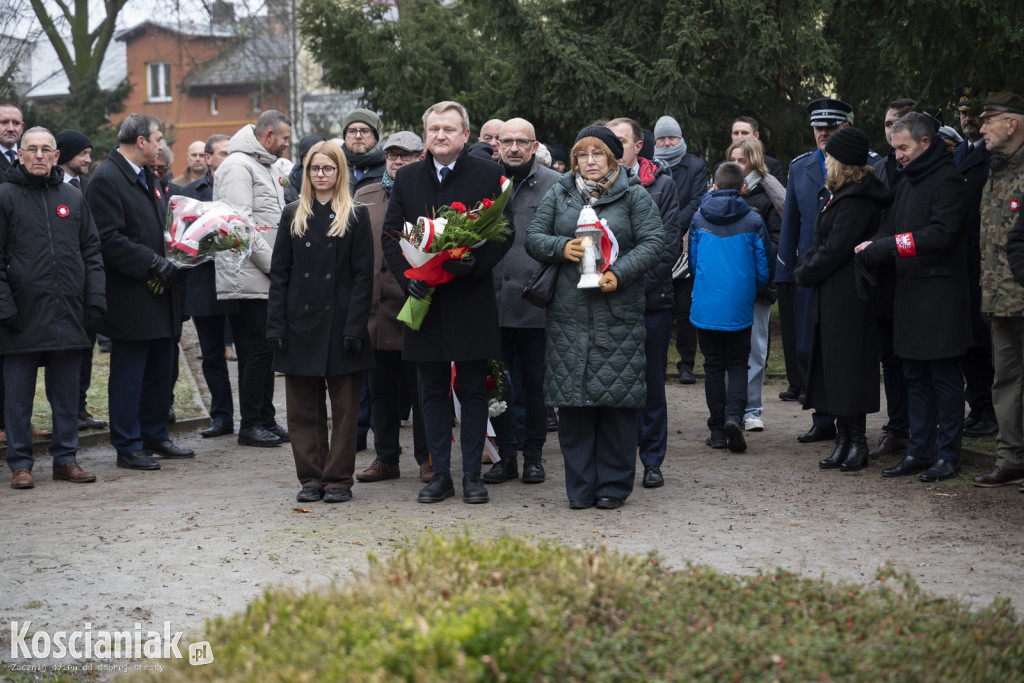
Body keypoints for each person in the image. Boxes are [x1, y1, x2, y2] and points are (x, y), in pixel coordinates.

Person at [380, 101, 512, 505]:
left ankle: (473, 474)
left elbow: (504, 233)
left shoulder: (489, 173)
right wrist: (409, 280)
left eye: (449, 129)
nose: (441, 135)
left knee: (473, 390)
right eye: (434, 128)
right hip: (426, 301)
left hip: (470, 298)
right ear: (425, 135)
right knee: (431, 391)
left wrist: (474, 264)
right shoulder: (408, 179)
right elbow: (391, 235)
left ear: (465, 135)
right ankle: (441, 474)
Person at [525, 125, 663, 509]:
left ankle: (613, 488)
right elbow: (533, 237)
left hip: (617, 313)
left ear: (613, 157)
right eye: (582, 155)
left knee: (617, 407)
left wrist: (619, 274)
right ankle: (580, 489)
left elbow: (655, 242)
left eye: (597, 154)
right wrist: (561, 246)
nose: (589, 162)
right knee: (574, 409)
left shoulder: (633, 196)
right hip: (568, 317)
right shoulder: (561, 193)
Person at [858, 111, 969, 482]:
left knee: (944, 377)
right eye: (894, 148)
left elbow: (941, 234)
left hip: (940, 295)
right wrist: (875, 244)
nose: (898, 155)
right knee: (915, 376)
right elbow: (893, 225)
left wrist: (890, 246)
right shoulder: (905, 181)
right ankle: (919, 451)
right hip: (908, 292)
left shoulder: (949, 180)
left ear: (925, 142)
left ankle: (948, 455)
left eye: (903, 147)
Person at [267, 141, 374, 503]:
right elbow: (279, 275)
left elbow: (363, 277)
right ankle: (311, 477)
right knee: (303, 408)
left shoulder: (355, 215)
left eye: (328, 169)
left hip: (342, 323)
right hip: (301, 323)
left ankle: (339, 478)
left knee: (345, 409)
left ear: (339, 171)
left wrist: (355, 326)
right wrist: (277, 325)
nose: (321, 175)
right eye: (315, 169)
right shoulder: (293, 214)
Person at [86, 113, 193, 470]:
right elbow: (108, 239)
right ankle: (128, 445)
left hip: (162, 294)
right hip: (132, 297)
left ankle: (155, 435)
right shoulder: (106, 178)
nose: (161, 145)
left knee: (161, 371)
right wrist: (151, 261)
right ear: (140, 141)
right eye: (158, 139)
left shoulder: (149, 176)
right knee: (130, 375)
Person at [1, 126, 106, 489]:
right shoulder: (4, 196)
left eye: (47, 149)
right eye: (32, 149)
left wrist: (94, 300)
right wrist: (4, 308)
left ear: (57, 156)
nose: (40, 155)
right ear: (21, 154)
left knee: (65, 394)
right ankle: (20, 463)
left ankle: (66, 459)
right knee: (17, 398)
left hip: (68, 315)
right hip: (20, 316)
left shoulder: (73, 197)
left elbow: (92, 252)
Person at [794, 127, 893, 472]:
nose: (826, 162)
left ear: (844, 162)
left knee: (850, 368)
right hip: (833, 294)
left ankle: (857, 443)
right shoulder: (840, 195)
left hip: (851, 295)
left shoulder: (858, 199)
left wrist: (804, 272)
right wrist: (805, 265)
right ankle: (842, 439)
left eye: (831, 157)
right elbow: (821, 242)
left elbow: (836, 248)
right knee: (834, 368)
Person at [482, 117, 560, 485]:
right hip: (491, 302)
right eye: (507, 141)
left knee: (535, 384)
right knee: (497, 384)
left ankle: (534, 457)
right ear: (496, 145)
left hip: (535, 303)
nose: (513, 148)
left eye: (521, 142)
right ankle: (507, 455)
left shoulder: (556, 186)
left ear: (534, 146)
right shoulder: (485, 181)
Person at [354, 131, 432, 485]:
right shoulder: (365, 194)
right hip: (376, 310)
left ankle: (428, 459)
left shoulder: (429, 191)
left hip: (415, 307)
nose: (398, 160)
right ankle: (386, 458)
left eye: (406, 154)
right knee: (380, 390)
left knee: (421, 391)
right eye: (392, 155)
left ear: (421, 156)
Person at [606, 117, 680, 489]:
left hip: (650, 300)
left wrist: (627, 284)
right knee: (616, 384)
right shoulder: (590, 187)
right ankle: (619, 460)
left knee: (651, 384)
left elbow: (667, 246)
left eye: (620, 141)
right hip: (605, 303)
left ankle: (652, 459)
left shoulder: (661, 185)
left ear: (638, 147)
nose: (613, 148)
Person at [213, 110, 292, 448]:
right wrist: (276, 266)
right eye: (285, 139)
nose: (287, 145)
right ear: (269, 136)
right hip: (250, 275)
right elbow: (239, 225)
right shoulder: (237, 167)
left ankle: (266, 418)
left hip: (263, 274)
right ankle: (251, 424)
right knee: (257, 351)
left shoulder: (265, 165)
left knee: (264, 350)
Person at [776, 98, 852, 442]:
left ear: (844, 127)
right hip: (809, 272)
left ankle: (850, 420)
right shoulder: (800, 167)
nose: (824, 133)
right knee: (811, 345)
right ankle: (822, 418)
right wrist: (784, 273)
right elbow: (790, 223)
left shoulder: (866, 164)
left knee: (844, 345)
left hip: (849, 271)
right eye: (819, 127)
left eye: (831, 127)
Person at [689, 162, 772, 454]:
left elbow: (693, 262)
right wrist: (749, 289)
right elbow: (764, 268)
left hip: (706, 304)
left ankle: (716, 430)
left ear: (714, 186)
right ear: (743, 189)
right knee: (738, 362)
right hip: (738, 303)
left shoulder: (699, 218)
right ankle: (735, 417)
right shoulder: (753, 220)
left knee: (712, 365)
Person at [971, 92, 1024, 489]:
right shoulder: (996, 172)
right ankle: (1010, 460)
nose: (981, 128)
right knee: (1005, 380)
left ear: (1013, 123)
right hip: (999, 299)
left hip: (1021, 294)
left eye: (989, 121)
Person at [181, 133, 244, 439]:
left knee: (249, 353)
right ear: (207, 159)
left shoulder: (243, 190)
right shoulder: (189, 193)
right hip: (204, 284)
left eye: (232, 153)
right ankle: (222, 416)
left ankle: (256, 417)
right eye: (221, 154)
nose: (227, 159)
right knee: (212, 355)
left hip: (241, 283)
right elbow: (180, 244)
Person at [867, 98, 916, 459]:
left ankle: (919, 429)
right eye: (886, 124)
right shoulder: (880, 167)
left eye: (897, 124)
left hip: (916, 277)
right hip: (885, 276)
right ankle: (897, 427)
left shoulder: (927, 170)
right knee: (891, 358)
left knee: (916, 359)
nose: (890, 130)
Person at [725, 138, 784, 432]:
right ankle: (729, 406)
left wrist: (753, 268)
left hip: (758, 284)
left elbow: (776, 239)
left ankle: (751, 408)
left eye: (742, 160)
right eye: (733, 160)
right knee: (726, 348)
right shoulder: (719, 193)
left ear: (755, 161)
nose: (737, 165)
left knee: (755, 348)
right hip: (727, 285)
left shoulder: (769, 194)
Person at [952, 86, 998, 439]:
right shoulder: (957, 156)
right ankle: (978, 404)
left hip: (987, 259)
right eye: (963, 113)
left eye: (974, 114)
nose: (968, 121)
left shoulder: (994, 158)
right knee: (969, 339)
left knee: (988, 339)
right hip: (962, 262)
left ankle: (991, 410)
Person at [55, 129, 107, 432]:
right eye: (82, 154)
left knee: (86, 348)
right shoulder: (51, 188)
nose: (88, 159)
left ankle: (80, 408)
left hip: (88, 283)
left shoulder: (88, 187)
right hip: (59, 284)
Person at [652, 114, 708, 386]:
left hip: (685, 246)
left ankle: (686, 364)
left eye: (670, 137)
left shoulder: (695, 165)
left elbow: (698, 200)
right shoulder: (649, 167)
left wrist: (673, 223)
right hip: (656, 245)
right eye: (661, 137)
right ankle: (658, 364)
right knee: (660, 309)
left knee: (686, 311)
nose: (666, 142)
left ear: (680, 138)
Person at [341, 109, 386, 196]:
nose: (358, 136)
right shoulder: (334, 165)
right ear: (345, 136)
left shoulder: (389, 167)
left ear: (375, 137)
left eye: (364, 131)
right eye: (352, 131)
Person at [729, 116, 786, 183]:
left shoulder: (772, 166)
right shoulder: (720, 168)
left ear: (756, 136)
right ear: (731, 136)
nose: (739, 137)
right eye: (736, 133)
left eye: (744, 133)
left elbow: (778, 192)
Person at [284, 135, 325, 204]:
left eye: (317, 154)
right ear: (302, 159)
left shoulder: (335, 180)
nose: (313, 159)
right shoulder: (291, 190)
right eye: (307, 155)